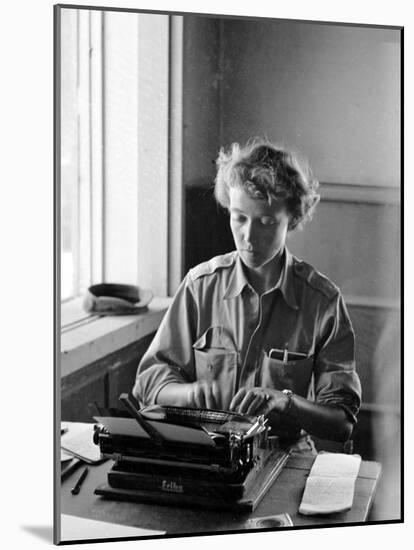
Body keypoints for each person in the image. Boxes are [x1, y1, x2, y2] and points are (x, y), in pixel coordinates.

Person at [133, 140, 361, 448]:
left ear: (291, 220)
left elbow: (342, 422)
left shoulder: (323, 302)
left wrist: (286, 402)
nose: (249, 237)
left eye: (267, 222)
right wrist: (187, 394)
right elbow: (147, 384)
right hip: (207, 452)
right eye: (239, 217)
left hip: (283, 457)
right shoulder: (200, 287)